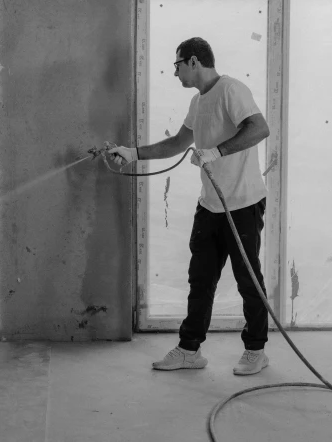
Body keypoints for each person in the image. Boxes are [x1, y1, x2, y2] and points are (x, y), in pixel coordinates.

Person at [107, 37, 271, 376]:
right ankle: (189, 349)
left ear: (194, 61)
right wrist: (132, 153)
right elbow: (178, 143)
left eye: (177, 64)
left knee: (247, 279)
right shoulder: (199, 102)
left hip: (241, 205)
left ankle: (256, 349)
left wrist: (216, 151)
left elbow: (259, 128)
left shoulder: (231, 90)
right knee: (200, 280)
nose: (175, 72)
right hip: (210, 207)